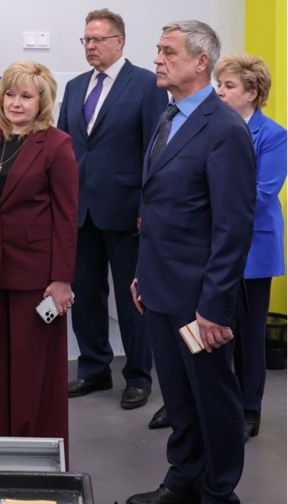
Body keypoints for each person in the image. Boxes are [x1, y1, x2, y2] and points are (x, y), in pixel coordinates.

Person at [127, 20, 255, 504]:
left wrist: (214, 307)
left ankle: (219, 492)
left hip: (200, 298)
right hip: (160, 288)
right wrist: (141, 274)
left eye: (168, 52)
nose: (157, 59)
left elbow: (232, 227)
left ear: (201, 62)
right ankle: (182, 480)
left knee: (213, 399)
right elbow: (159, 208)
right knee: (178, 397)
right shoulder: (168, 117)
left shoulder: (224, 129)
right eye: (158, 50)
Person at [149, 54, 286, 439]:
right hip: (208, 247)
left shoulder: (273, 135)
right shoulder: (205, 126)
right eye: (219, 84)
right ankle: (186, 402)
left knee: (247, 336)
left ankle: (248, 410)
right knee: (197, 331)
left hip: (253, 251)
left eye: (229, 86)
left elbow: (259, 195)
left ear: (252, 93)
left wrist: (204, 209)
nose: (220, 92)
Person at [57, 9, 166, 410]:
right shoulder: (74, 87)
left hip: (126, 211)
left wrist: (146, 207)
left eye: (98, 39)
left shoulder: (147, 85)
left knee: (131, 298)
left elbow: (155, 151)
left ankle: (138, 376)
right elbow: (64, 149)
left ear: (119, 41)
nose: (90, 46)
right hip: (80, 210)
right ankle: (94, 369)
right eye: (86, 39)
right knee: (85, 295)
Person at [0, 61, 78, 457]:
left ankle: (37, 454)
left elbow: (67, 218)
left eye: (26, 96)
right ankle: (0, 449)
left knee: (34, 372)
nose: (16, 103)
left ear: (42, 101)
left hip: (38, 277)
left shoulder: (57, 144)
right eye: (10, 94)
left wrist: (62, 279)